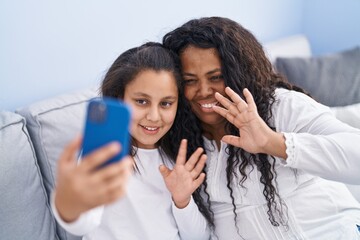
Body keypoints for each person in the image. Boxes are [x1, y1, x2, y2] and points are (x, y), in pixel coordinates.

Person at [162, 17, 360, 239]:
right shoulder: (184, 141)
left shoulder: (281, 107)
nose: (204, 90)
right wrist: (182, 202)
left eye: (216, 77)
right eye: (190, 80)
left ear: (238, 73)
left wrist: (271, 142)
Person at [51, 42, 211, 240]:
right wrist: (70, 202)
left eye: (166, 104)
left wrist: (182, 200)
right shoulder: (104, 153)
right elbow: (82, 223)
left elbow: (199, 237)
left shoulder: (178, 158)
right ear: (120, 98)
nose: (154, 116)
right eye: (141, 101)